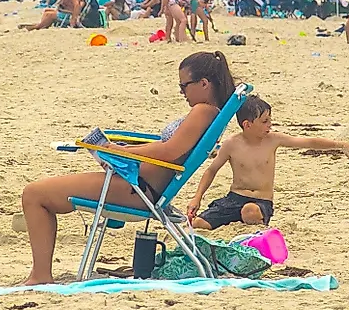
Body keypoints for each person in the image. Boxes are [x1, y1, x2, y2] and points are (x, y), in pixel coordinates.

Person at [17, 51, 234, 284]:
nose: (182, 92)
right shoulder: (212, 114)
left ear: (203, 83)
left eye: (184, 86)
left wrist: (122, 151)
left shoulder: (203, 110)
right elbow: (169, 148)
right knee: (39, 193)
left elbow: (170, 151)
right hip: (139, 185)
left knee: (34, 194)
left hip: (135, 189)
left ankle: (40, 275)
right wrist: (121, 149)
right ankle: (40, 274)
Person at [183, 93, 349, 228]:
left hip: (260, 202)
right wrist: (197, 197)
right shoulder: (231, 144)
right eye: (265, 121)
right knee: (199, 224)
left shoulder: (273, 140)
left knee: (249, 212)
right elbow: (211, 170)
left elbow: (306, 141)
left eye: (270, 120)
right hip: (234, 198)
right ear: (247, 124)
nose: (269, 125)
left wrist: (340, 145)